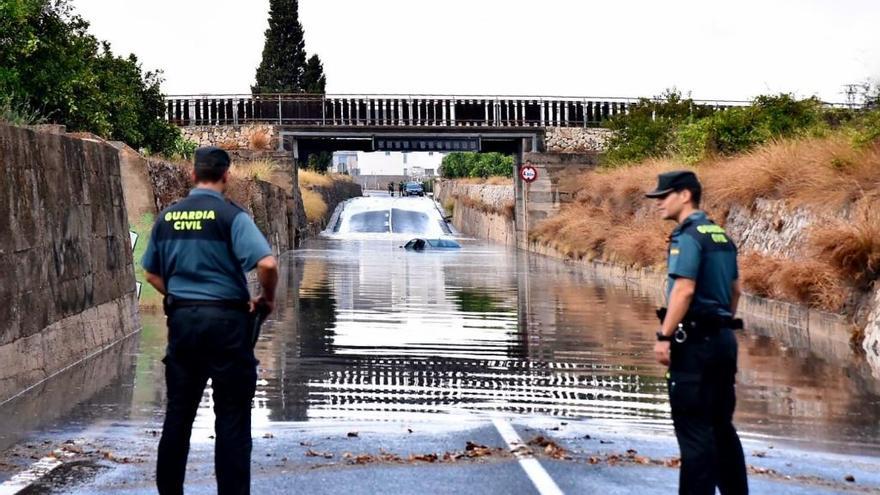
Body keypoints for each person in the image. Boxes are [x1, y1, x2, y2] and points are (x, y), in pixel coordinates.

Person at [142, 146, 279, 495]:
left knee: (178, 415)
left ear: (193, 175)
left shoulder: (168, 217)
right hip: (228, 324)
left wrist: (179, 295)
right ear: (226, 176)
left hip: (184, 323)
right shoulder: (232, 216)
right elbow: (267, 264)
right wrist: (267, 298)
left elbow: (150, 272)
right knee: (232, 418)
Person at [646, 170, 748, 495]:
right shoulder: (719, 235)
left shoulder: (687, 236)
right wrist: (718, 325)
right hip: (723, 342)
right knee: (722, 428)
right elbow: (736, 291)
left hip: (694, 346)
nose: (659, 202)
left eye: (664, 195)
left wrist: (665, 335)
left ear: (686, 195)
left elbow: (684, 290)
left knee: (694, 433)